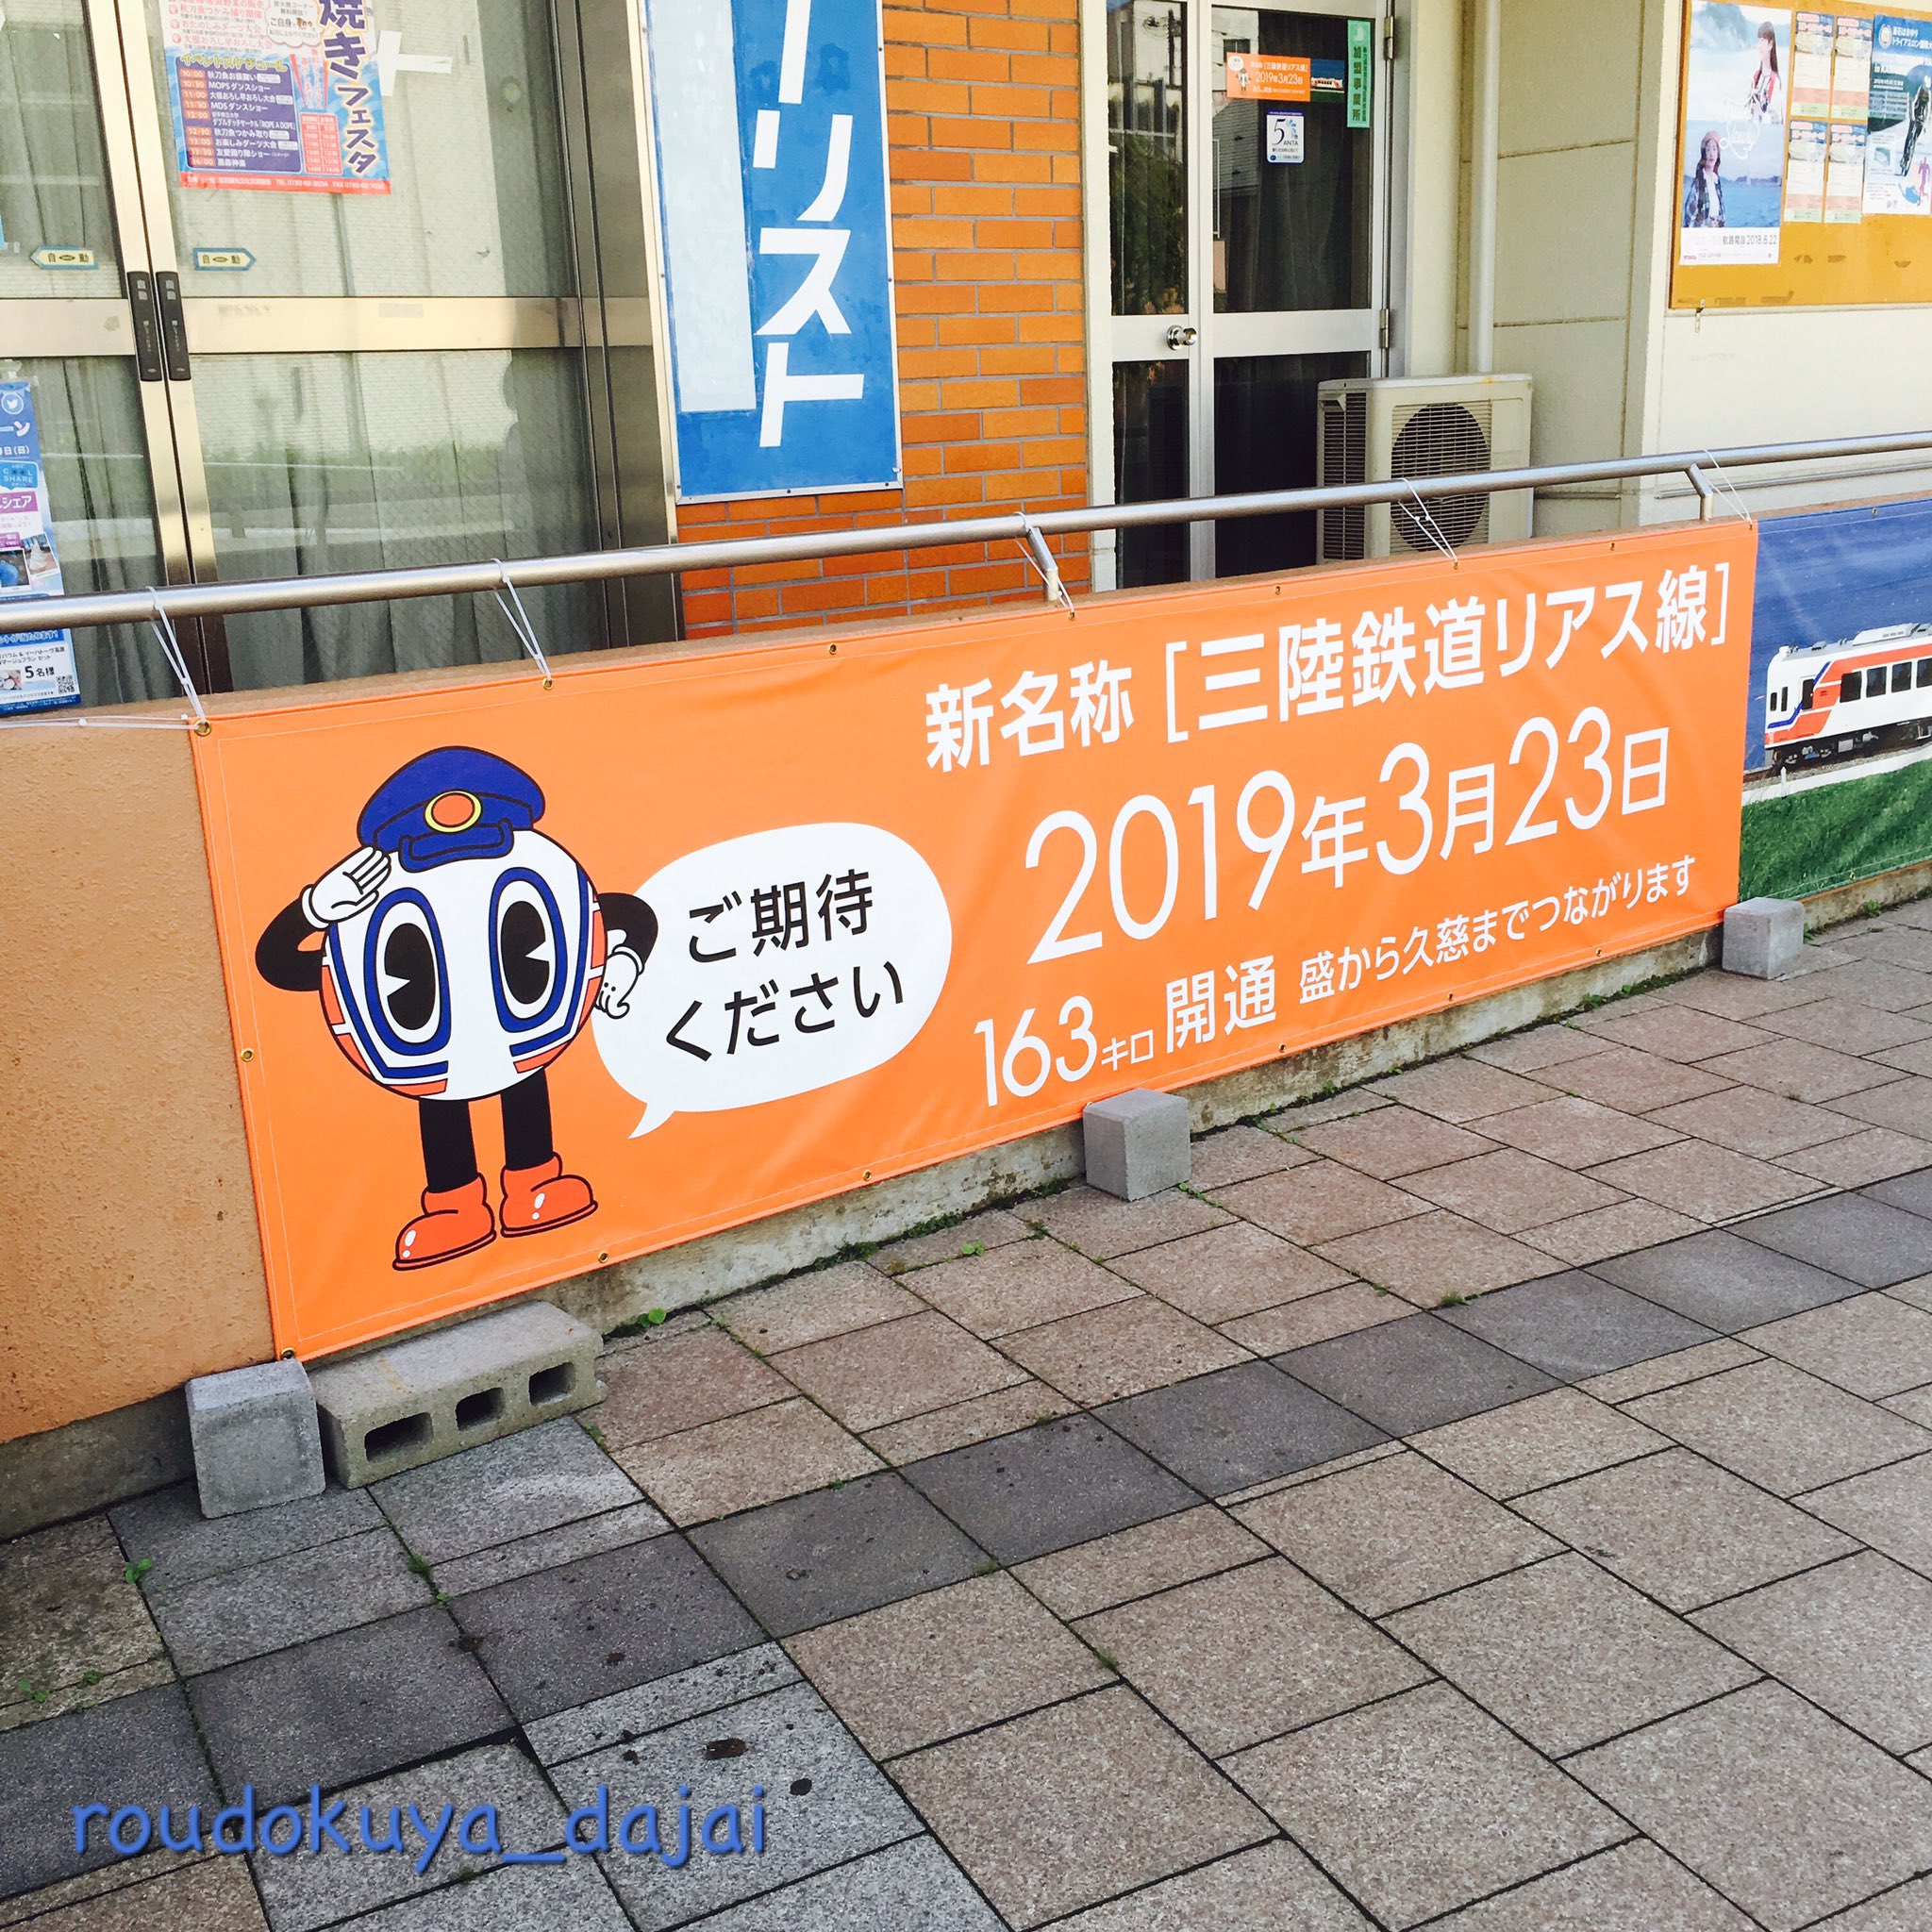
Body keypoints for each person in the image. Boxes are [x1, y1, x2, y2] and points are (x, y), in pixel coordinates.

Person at [1684, 131, 1724, 227]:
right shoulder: (1698, 184)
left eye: (1714, 149)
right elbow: (1688, 221)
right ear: (1704, 154)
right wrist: (1706, 225)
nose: (1711, 154)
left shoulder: (1716, 182)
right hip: (1702, 236)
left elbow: (1722, 216)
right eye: (1708, 149)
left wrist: (1719, 224)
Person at [1747, 21, 1782, 123]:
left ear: (1770, 45)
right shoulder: (1756, 77)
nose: (1759, 45)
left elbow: (1777, 121)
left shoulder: (1775, 82)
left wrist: (1760, 112)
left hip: (1766, 131)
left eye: (1762, 40)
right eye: (1758, 41)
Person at [1903, 75, 1930, 178]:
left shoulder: (1929, 94)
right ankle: (1905, 155)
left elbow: (1928, 109)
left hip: (1922, 117)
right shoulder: (1918, 90)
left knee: (1916, 137)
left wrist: (1925, 123)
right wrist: (1912, 116)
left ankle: (1911, 149)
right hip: (1915, 113)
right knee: (1910, 134)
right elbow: (1912, 102)